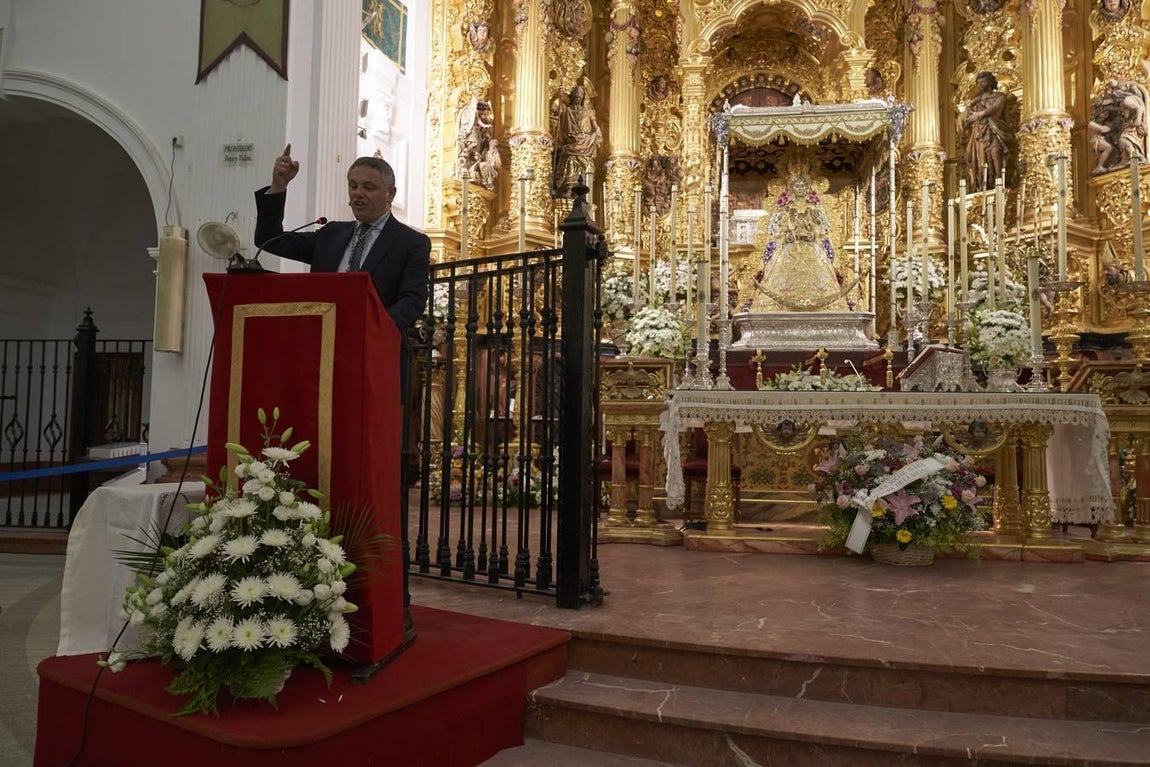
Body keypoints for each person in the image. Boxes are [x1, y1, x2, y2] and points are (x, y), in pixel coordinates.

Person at [254, 144, 430, 337]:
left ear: (391, 194)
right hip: (322, 343)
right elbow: (269, 239)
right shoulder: (331, 234)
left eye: (368, 187)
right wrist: (278, 186)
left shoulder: (411, 242)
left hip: (375, 348)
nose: (357, 193)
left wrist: (373, 329)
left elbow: (413, 300)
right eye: (353, 186)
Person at [748, 163, 851, 313]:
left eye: (802, 186)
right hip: (789, 250)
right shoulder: (785, 208)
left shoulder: (814, 208)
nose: (800, 189)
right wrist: (786, 235)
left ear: (807, 188)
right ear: (791, 188)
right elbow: (775, 230)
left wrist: (814, 234)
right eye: (797, 186)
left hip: (812, 250)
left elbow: (824, 228)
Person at [550, 85, 602, 198]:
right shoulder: (567, 110)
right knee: (570, 160)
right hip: (571, 143)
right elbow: (554, 110)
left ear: (583, 97)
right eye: (577, 93)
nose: (579, 96)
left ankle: (583, 192)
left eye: (581, 94)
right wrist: (557, 95)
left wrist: (597, 133)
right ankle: (569, 189)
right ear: (573, 95)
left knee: (587, 165)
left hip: (585, 142)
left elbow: (595, 126)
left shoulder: (589, 112)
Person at [964, 72, 1009, 192]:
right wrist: (968, 109)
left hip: (994, 128)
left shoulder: (1000, 96)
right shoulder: (976, 101)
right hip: (979, 132)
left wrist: (979, 114)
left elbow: (995, 109)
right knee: (979, 158)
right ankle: (983, 184)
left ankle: (1000, 182)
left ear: (990, 82)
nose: (980, 85)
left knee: (996, 151)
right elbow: (967, 118)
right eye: (978, 83)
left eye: (983, 82)